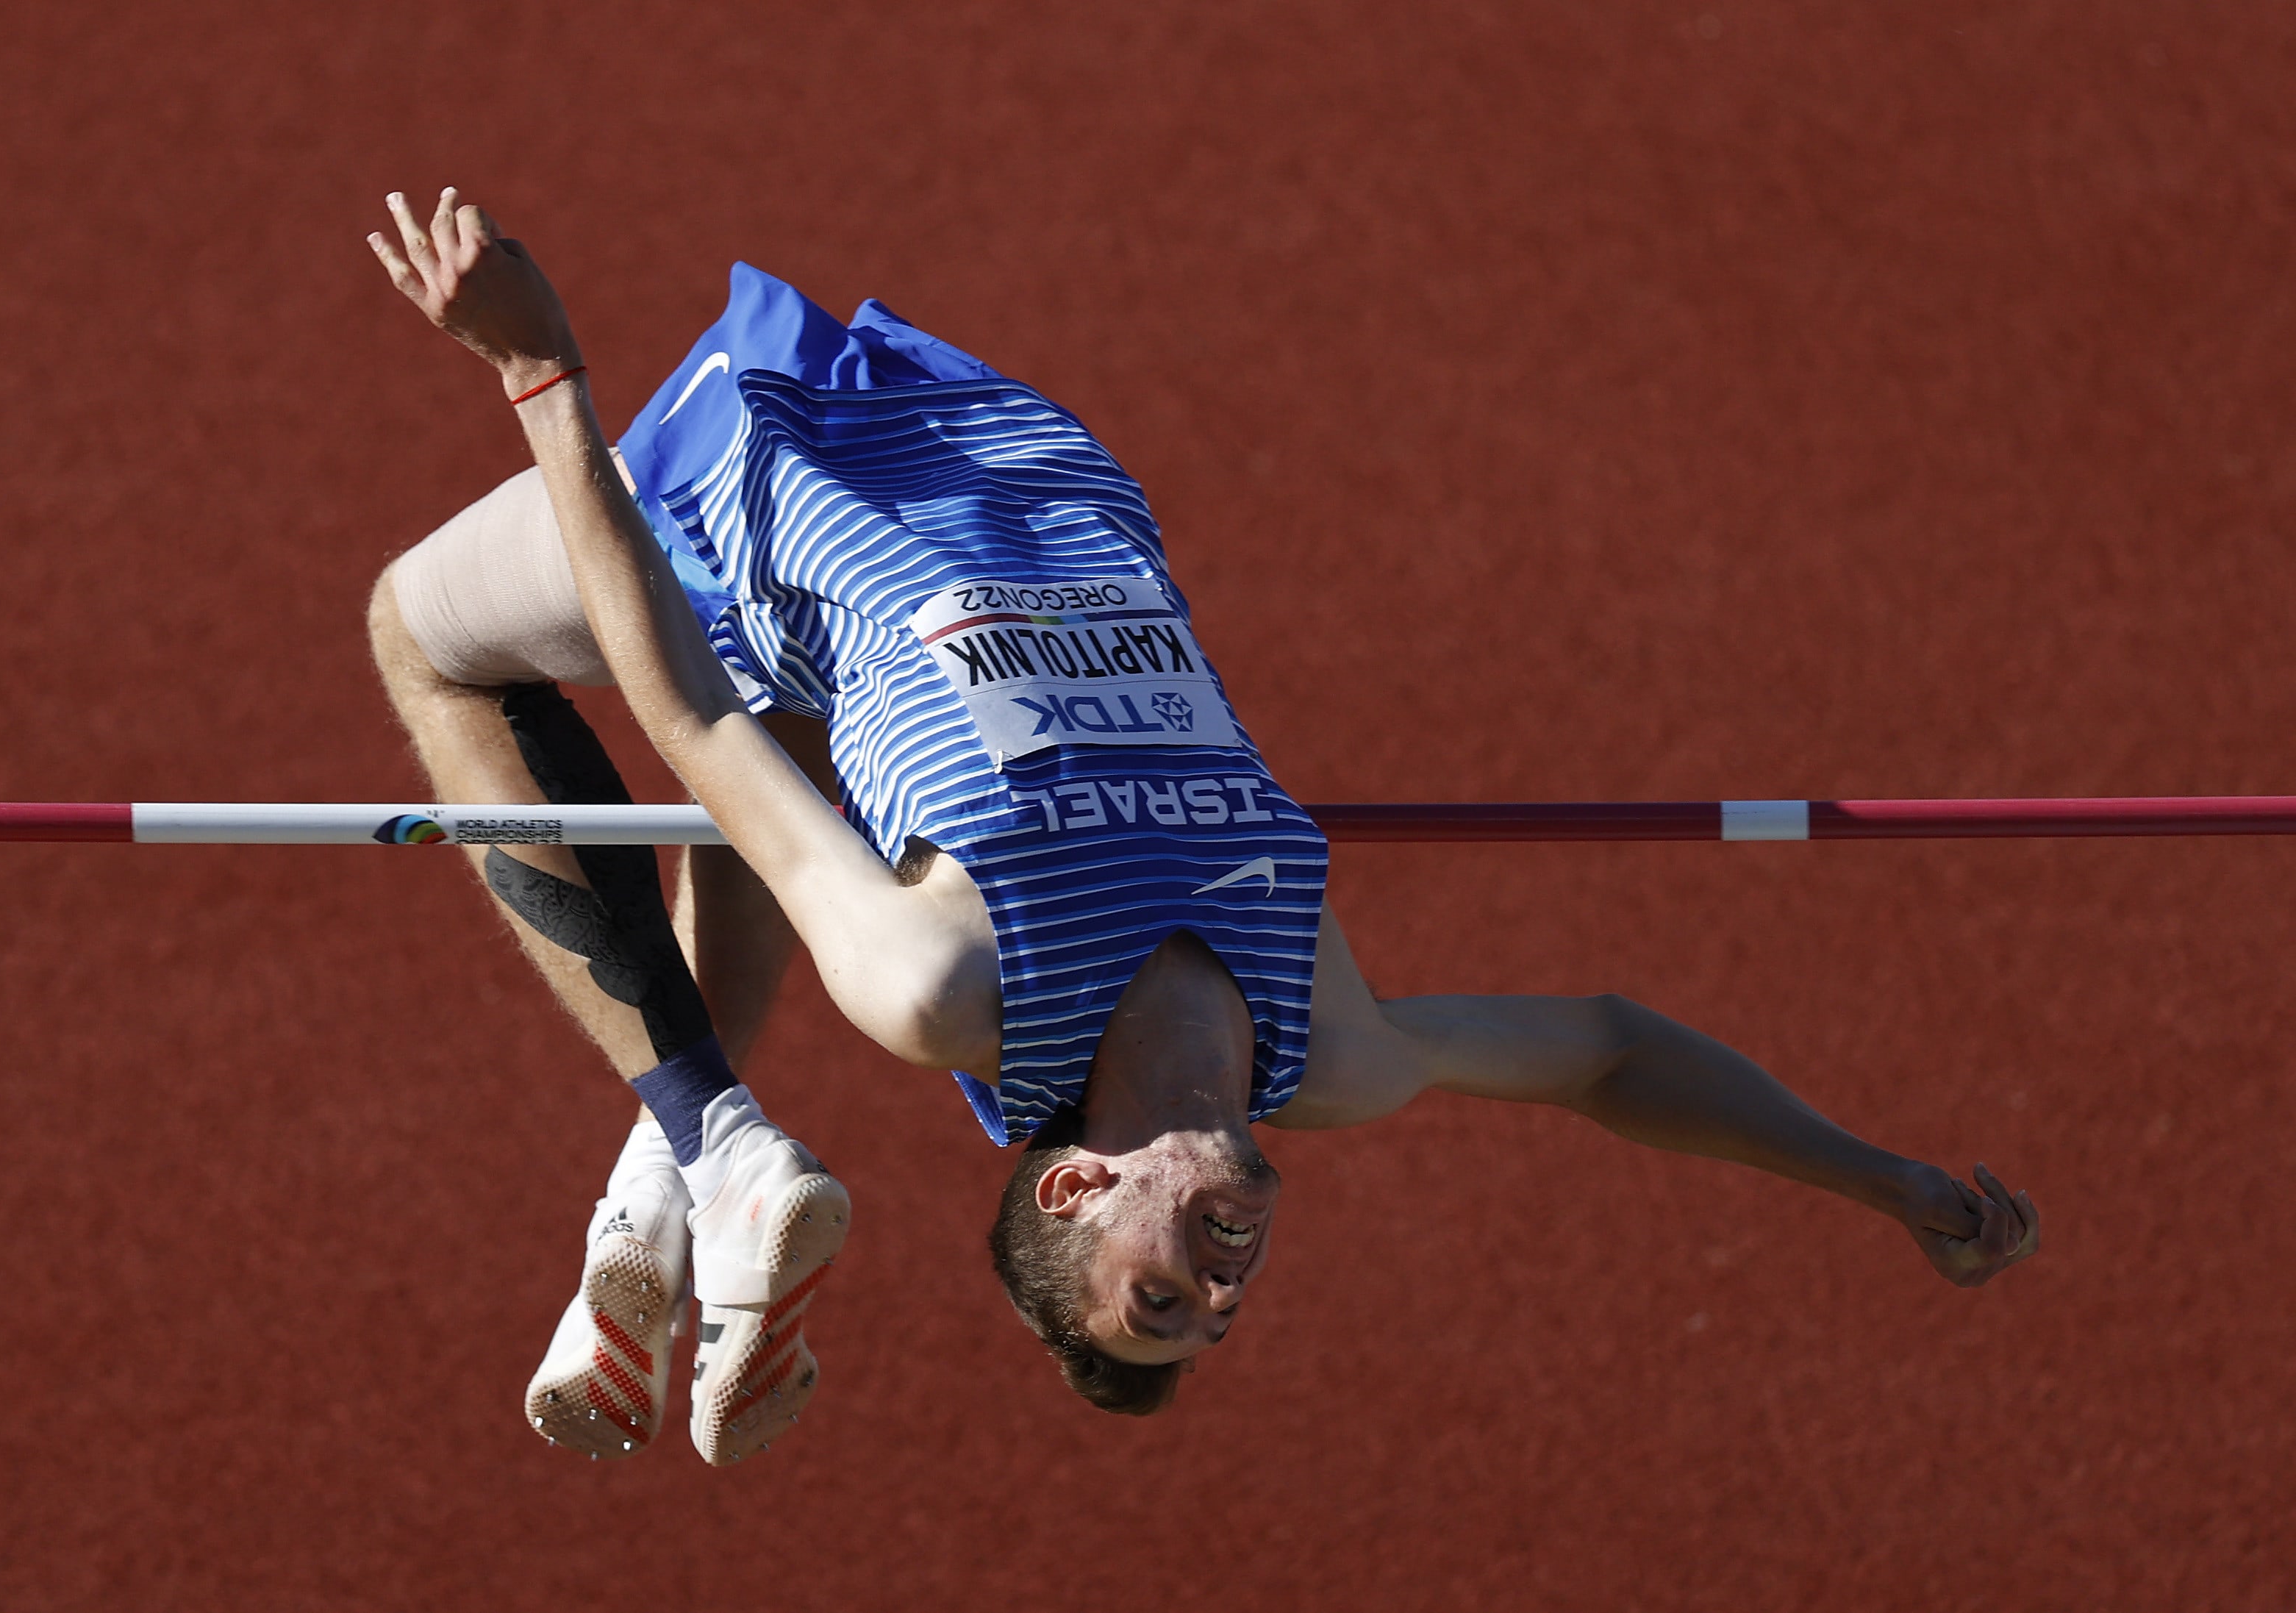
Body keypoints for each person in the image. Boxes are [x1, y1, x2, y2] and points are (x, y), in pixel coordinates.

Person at [363, 189, 2041, 1462]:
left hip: (769, 472)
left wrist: (538, 372)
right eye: (1212, 1322)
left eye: (1161, 1293)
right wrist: (1879, 1179)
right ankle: (675, 1172)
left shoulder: (948, 986)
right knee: (781, 782)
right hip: (1024, 450)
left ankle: (703, 1142)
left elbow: (695, 722)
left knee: (423, 632)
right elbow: (1604, 1051)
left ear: (1079, 1182)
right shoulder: (1332, 1047)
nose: (1225, 1291)